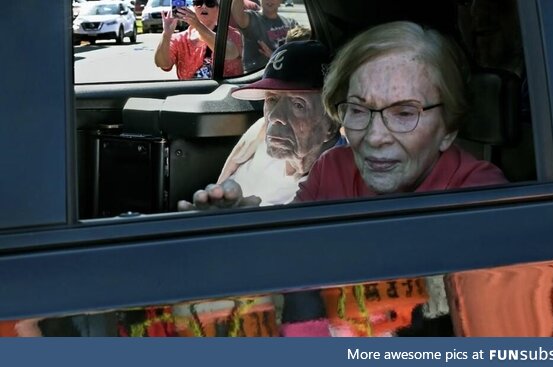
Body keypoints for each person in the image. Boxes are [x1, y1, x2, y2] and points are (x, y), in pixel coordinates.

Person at [182, 21, 507, 336]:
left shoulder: (481, 200)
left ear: (448, 130)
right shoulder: (333, 168)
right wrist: (237, 232)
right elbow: (287, 250)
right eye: (358, 109)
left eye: (404, 113)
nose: (375, 136)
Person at [179, 40, 342, 209]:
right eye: (272, 99)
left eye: (298, 104)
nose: (274, 116)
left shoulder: (335, 186)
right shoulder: (262, 137)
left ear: (332, 123)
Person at [154, 0, 243, 80]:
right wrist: (166, 34)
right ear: (193, 7)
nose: (203, 6)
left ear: (219, 9)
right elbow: (162, 64)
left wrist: (198, 25)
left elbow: (228, 54)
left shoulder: (232, 34)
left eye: (210, 3)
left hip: (223, 92)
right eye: (198, 2)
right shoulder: (179, 39)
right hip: (193, 94)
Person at [231, 0, 299, 72]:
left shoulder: (291, 23)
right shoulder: (251, 19)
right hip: (256, 76)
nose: (269, 1)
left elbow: (299, 55)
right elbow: (237, 13)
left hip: (285, 73)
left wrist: (274, 56)